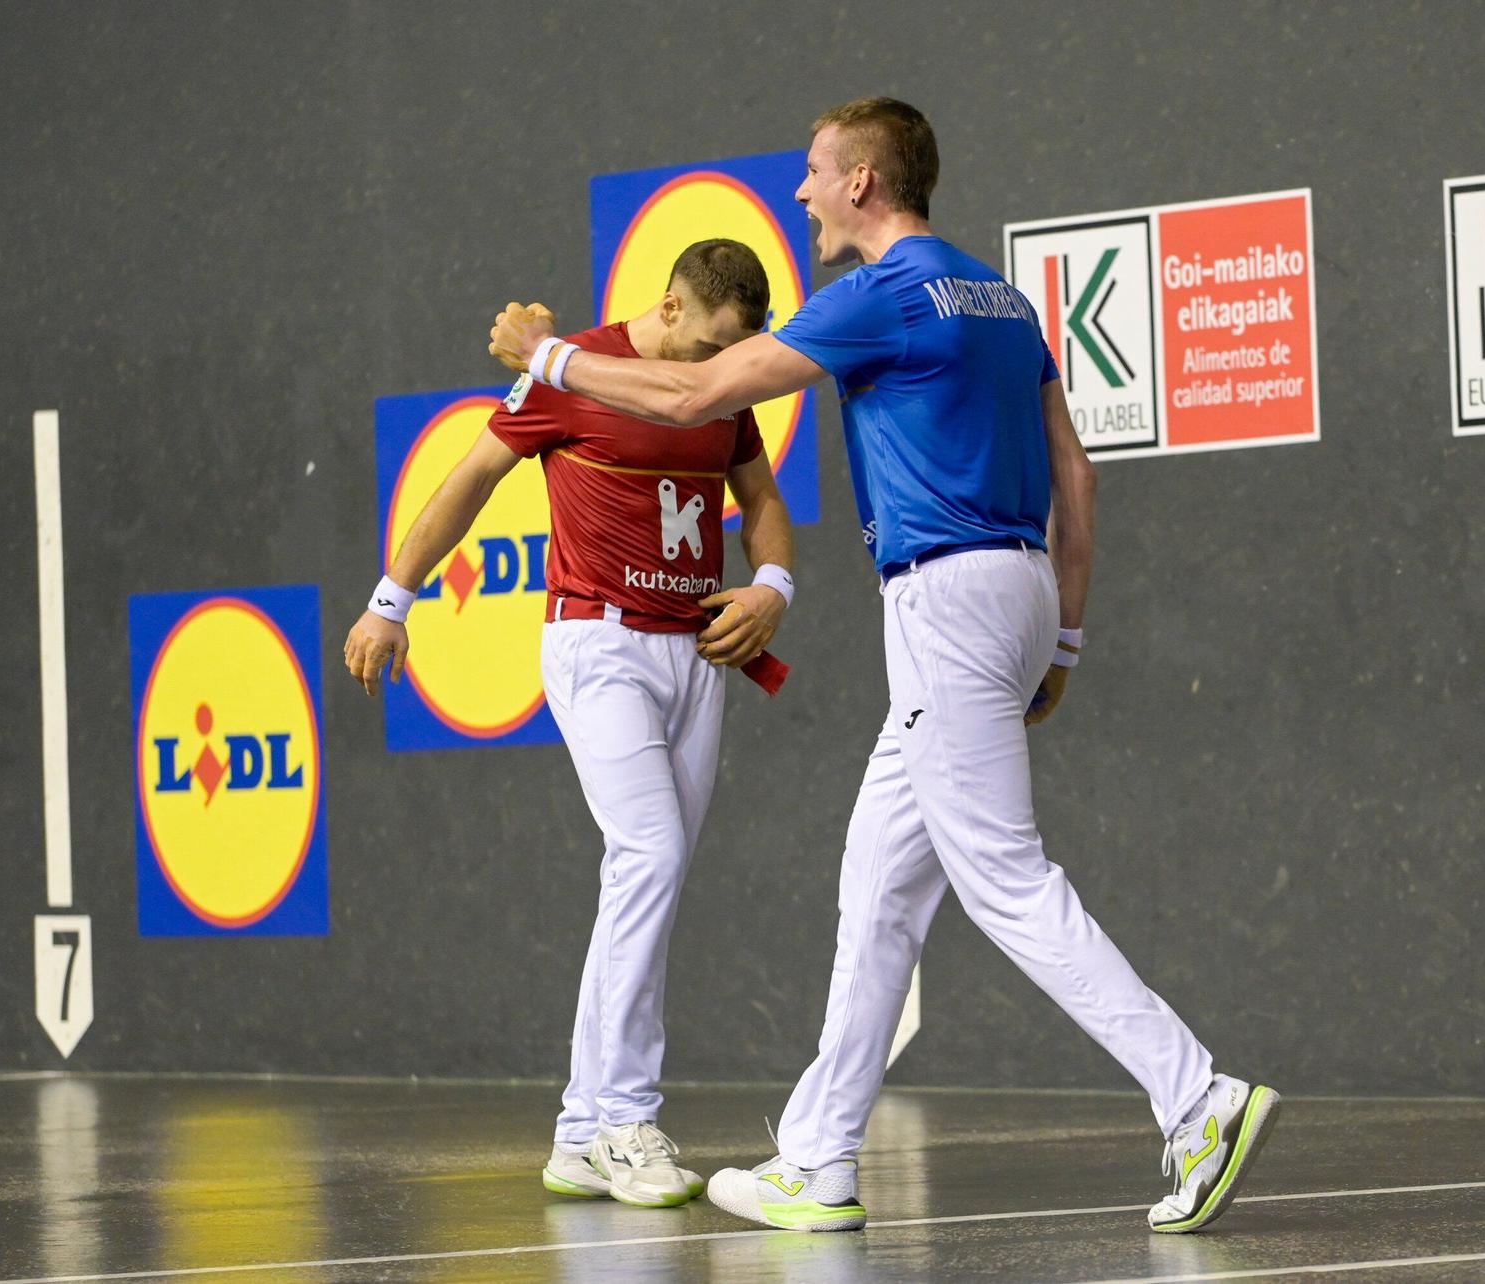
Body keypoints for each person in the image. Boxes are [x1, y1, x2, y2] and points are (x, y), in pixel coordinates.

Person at [487, 99, 1277, 1235]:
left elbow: (697, 392)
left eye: (813, 174)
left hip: (945, 599)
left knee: (1001, 874)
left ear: (862, 182)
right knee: (879, 887)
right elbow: (1079, 477)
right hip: (1016, 590)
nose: (800, 194)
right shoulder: (998, 297)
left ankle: (1195, 1097)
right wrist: (1060, 637)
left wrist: (550, 356)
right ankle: (817, 1156)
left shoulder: (875, 295)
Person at [347, 239, 797, 1210]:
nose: (711, 373)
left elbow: (759, 500)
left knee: (649, 875)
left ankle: (579, 1130)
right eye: (705, 347)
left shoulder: (721, 386)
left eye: (731, 354)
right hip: (597, 649)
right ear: (669, 308)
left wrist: (771, 584)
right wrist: (390, 599)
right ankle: (626, 1118)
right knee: (648, 853)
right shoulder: (572, 374)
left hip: (700, 656)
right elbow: (468, 481)